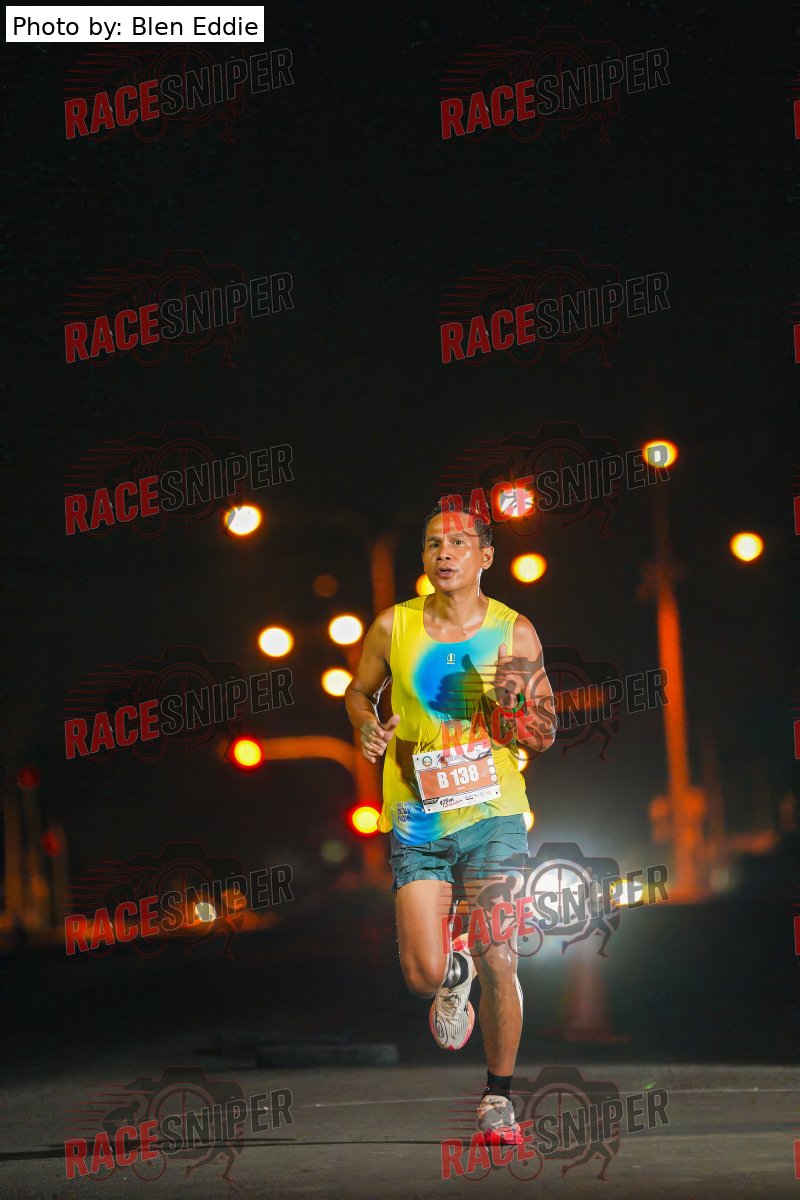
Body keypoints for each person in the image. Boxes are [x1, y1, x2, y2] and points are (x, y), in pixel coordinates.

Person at [345, 502, 557, 1147]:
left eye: (459, 543)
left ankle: (499, 1099)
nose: (445, 552)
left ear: (485, 557)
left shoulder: (513, 633)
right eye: (434, 542)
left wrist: (508, 713)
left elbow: (544, 732)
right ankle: (450, 975)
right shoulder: (394, 626)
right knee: (421, 976)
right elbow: (358, 691)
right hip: (418, 819)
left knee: (501, 956)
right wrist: (365, 725)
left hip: (493, 816)